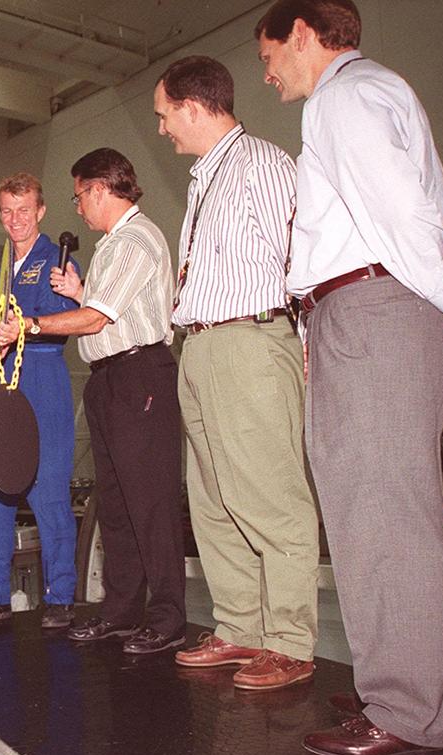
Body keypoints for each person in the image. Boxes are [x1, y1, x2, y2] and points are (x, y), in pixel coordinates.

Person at [256, 0, 443, 755]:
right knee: (381, 507)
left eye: (271, 54)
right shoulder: (381, 89)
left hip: (370, 306)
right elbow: (425, 209)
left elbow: (398, 208)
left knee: (380, 509)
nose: (269, 70)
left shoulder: (341, 96)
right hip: (373, 306)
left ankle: (412, 710)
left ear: (306, 36)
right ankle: (412, 686)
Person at [153, 56, 320, 689]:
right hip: (199, 346)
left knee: (270, 497)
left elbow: (299, 258)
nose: (164, 127)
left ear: (194, 108)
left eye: (166, 115)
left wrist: (301, 343)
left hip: (249, 342)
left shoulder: (264, 165)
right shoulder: (206, 178)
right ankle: (241, 629)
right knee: (214, 502)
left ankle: (289, 640)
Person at [10, 149, 184, 654]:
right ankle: (122, 608)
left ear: (101, 188)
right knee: (116, 504)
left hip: (139, 375)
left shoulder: (136, 238)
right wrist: (81, 290)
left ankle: (168, 614)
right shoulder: (111, 245)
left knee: (149, 501)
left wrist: (30, 324)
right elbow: (104, 307)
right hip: (109, 377)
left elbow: (98, 319)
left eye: (79, 194)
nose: (78, 206)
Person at [0, 172, 80, 629]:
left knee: (49, 491)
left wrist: (25, 325)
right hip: (4, 381)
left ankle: (60, 596)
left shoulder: (57, 260)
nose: (15, 220)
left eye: (24, 210)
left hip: (45, 377)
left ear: (41, 211)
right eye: (7, 211)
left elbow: (74, 318)